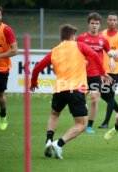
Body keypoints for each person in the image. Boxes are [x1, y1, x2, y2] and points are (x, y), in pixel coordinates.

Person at [30, 24, 112, 159]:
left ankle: (48, 140)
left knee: (54, 114)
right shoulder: (80, 46)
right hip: (76, 89)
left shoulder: (55, 50)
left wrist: (33, 82)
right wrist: (102, 73)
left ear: (61, 37)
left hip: (59, 89)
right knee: (82, 124)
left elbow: (37, 67)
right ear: (73, 36)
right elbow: (95, 56)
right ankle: (58, 143)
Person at [77, 12, 112, 133]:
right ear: (88, 24)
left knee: (95, 98)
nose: (94, 26)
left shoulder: (103, 40)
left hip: (96, 74)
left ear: (100, 25)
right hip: (82, 74)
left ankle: (89, 126)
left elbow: (110, 52)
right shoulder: (81, 38)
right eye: (92, 23)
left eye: (97, 23)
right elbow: (75, 53)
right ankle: (81, 121)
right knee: (80, 99)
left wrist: (113, 59)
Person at [98, 12, 118, 129]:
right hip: (103, 70)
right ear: (107, 21)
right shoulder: (101, 34)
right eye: (110, 20)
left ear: (117, 22)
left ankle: (106, 122)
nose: (112, 22)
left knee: (110, 95)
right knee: (103, 94)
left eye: (114, 20)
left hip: (115, 70)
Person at [0, 5, 18, 130]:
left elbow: (15, 51)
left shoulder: (6, 30)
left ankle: (3, 113)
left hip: (2, 69)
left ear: (1, 16)